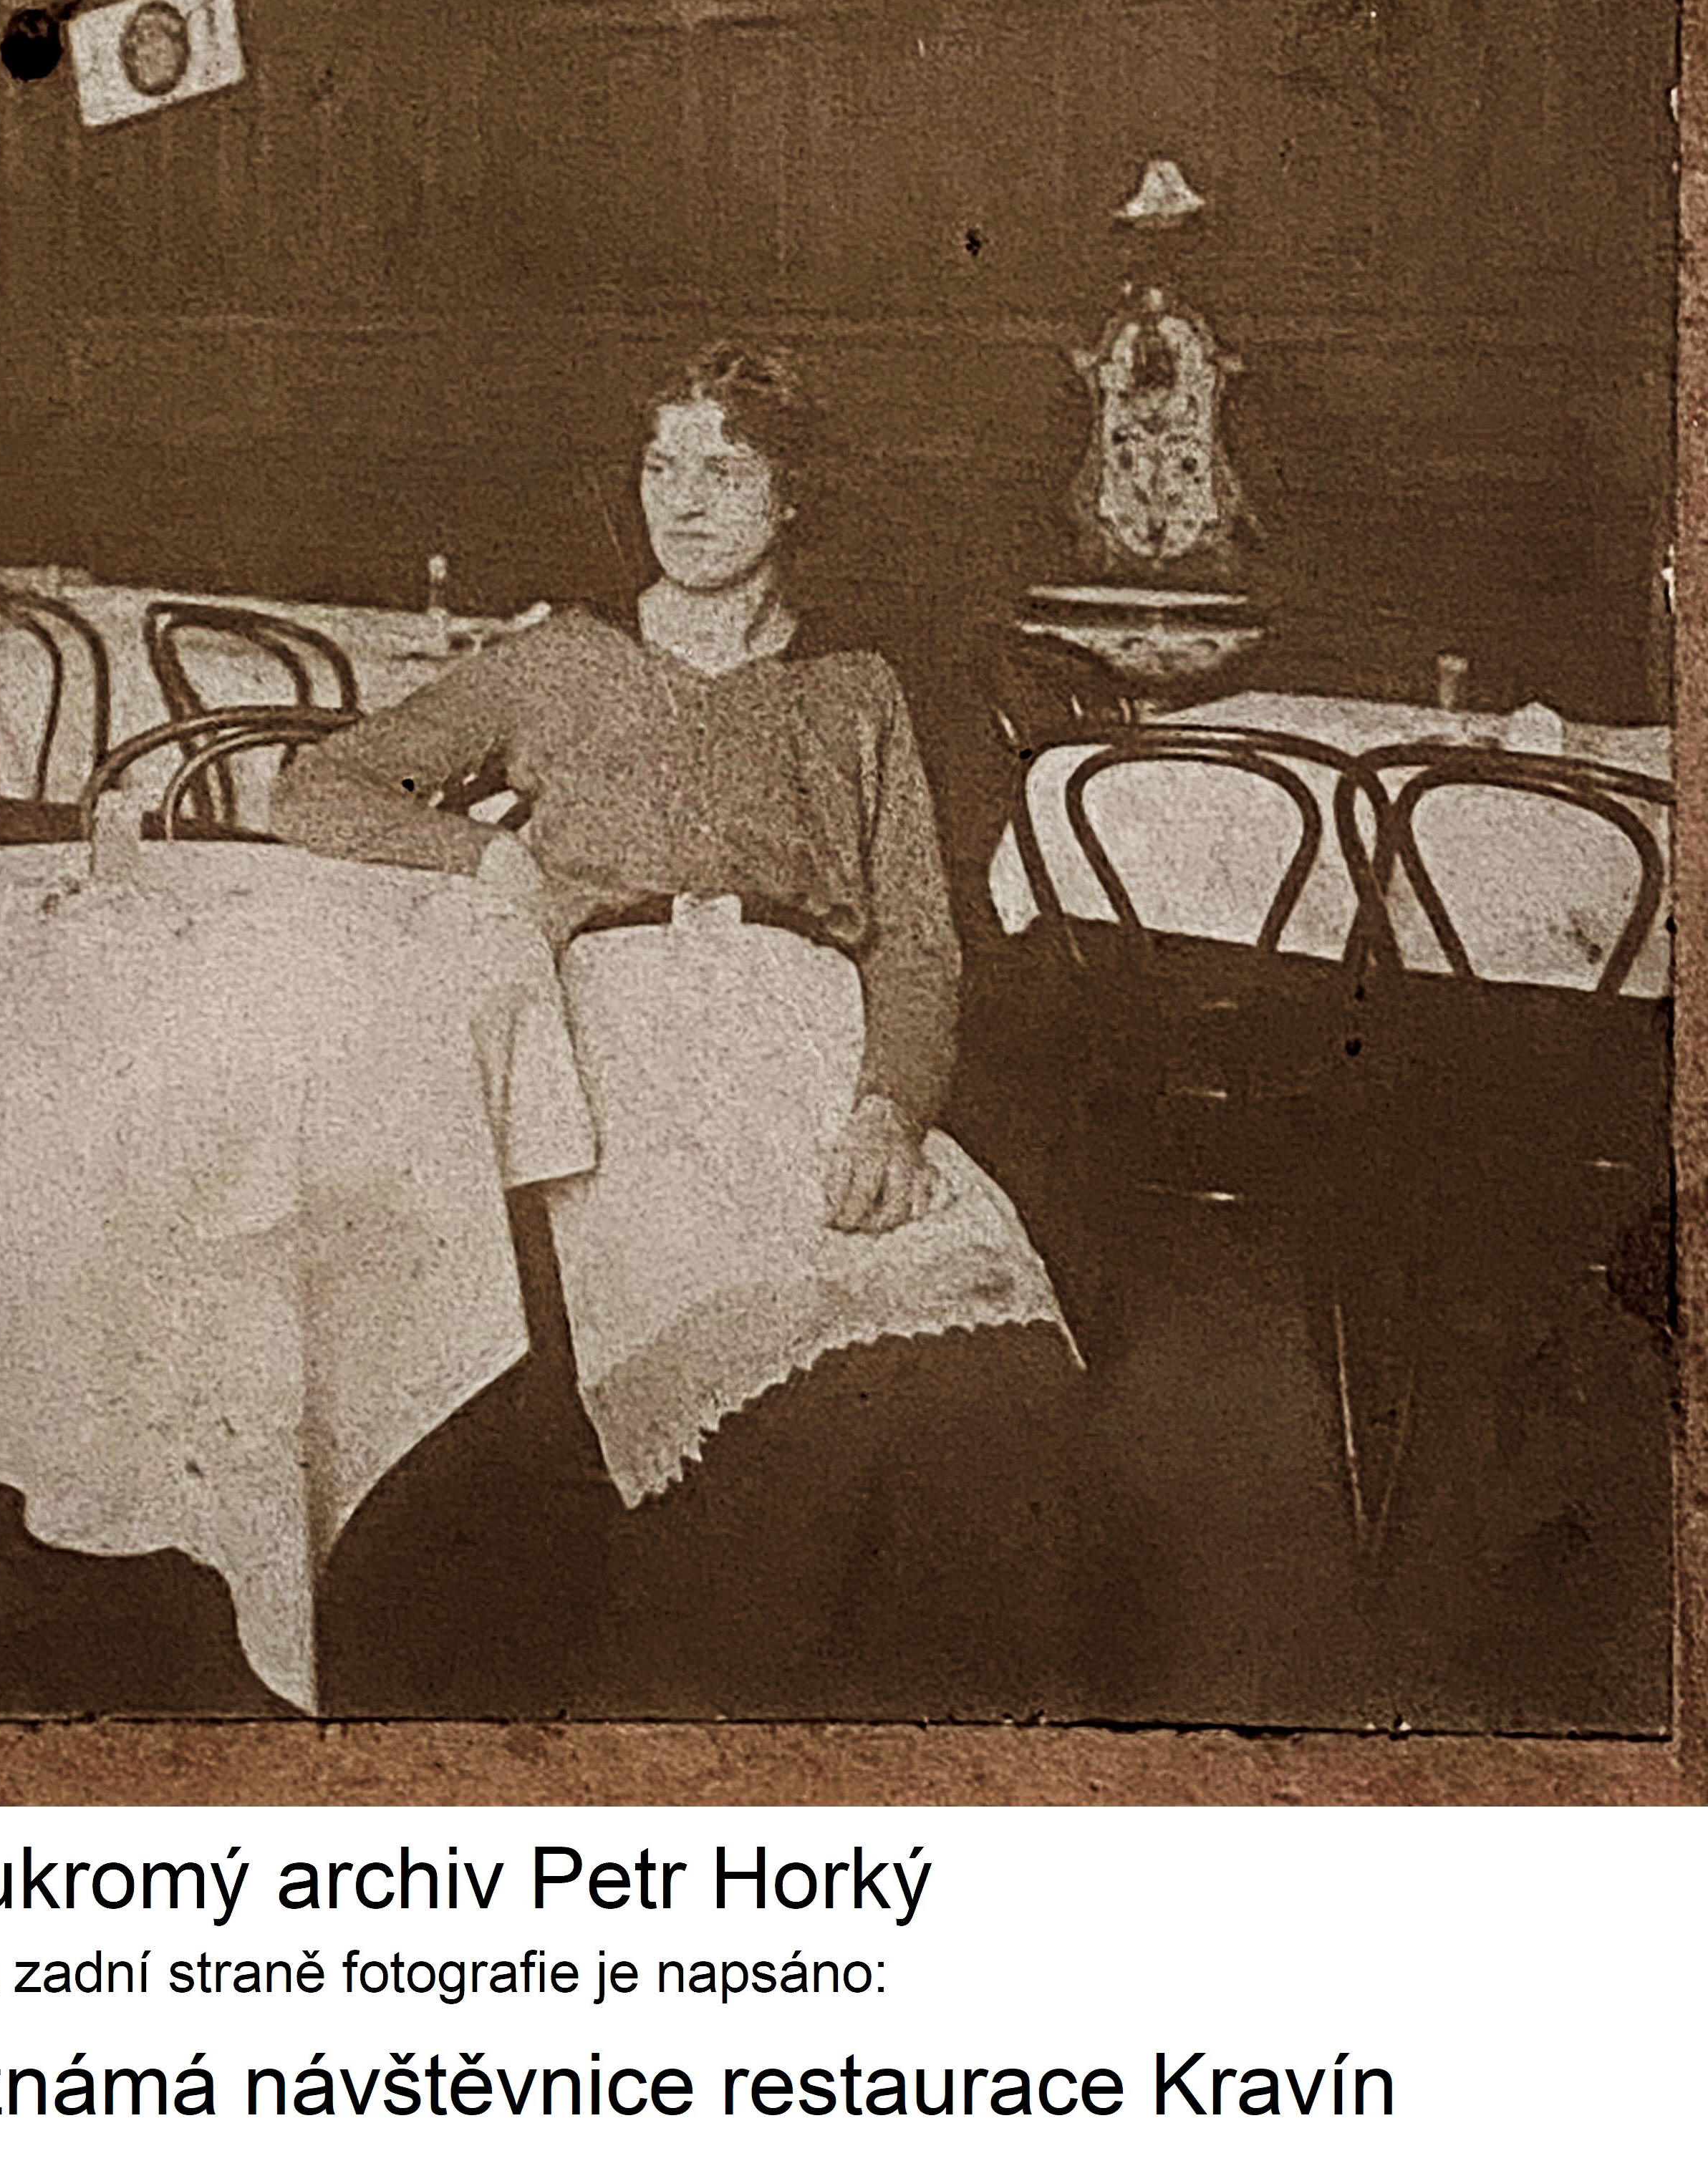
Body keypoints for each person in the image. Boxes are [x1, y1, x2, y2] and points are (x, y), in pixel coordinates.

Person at [276, 345, 1103, 1718]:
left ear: (793, 496)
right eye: (663, 465)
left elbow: (916, 939)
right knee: (758, 1401)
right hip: (623, 1044)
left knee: (1000, 1365)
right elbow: (315, 787)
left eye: (726, 468)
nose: (686, 499)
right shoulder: (560, 659)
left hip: (812, 1045)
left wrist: (891, 1109)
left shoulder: (855, 691)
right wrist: (484, 858)